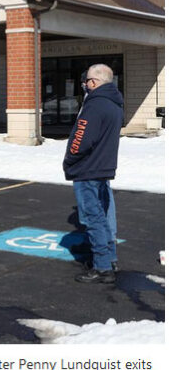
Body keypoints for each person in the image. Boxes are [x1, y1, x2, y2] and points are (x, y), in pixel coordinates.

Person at [63, 64, 123, 284]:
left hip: (87, 169)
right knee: (104, 216)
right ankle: (110, 258)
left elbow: (80, 139)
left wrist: (69, 159)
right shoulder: (115, 104)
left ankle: (102, 266)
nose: (85, 85)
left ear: (94, 82)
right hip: (103, 168)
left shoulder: (94, 105)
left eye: (87, 81)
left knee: (93, 218)